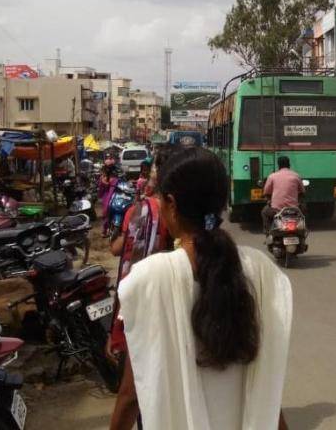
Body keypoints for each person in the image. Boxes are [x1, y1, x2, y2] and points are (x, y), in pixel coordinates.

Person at [115, 148, 292, 430]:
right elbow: (265, 385)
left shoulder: (149, 279)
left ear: (171, 203)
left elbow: (129, 396)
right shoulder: (261, 271)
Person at [108, 146, 176, 430]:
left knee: (139, 390)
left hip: (145, 309)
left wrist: (116, 327)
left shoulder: (142, 211)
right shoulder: (199, 230)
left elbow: (125, 266)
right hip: (170, 310)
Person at [261, 156, 305, 230]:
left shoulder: (272, 176)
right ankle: (303, 229)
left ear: (278, 165)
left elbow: (266, 192)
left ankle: (268, 232)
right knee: (304, 211)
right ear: (289, 164)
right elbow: (302, 192)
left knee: (264, 212)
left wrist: (268, 199)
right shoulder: (296, 176)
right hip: (294, 209)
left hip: (276, 210)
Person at [98, 153, 119, 235]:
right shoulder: (104, 177)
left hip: (113, 195)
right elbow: (101, 187)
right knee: (106, 212)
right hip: (108, 196)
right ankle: (105, 230)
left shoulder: (116, 175)